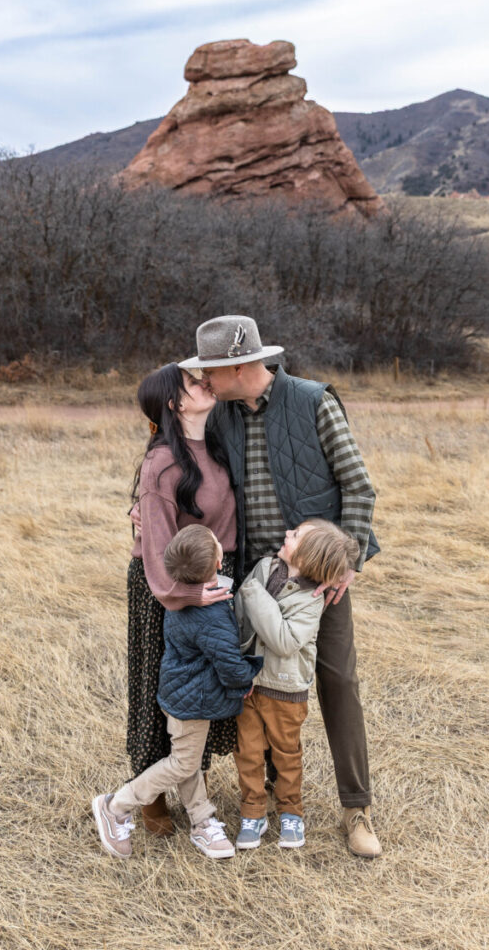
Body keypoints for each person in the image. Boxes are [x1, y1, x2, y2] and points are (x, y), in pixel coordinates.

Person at [179, 315, 383, 858]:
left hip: (320, 575)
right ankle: (270, 799)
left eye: (211, 372)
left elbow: (358, 487)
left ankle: (356, 809)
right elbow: (188, 464)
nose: (205, 383)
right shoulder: (220, 416)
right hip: (255, 578)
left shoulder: (315, 401)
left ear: (240, 366)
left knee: (338, 681)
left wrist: (348, 562)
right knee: (262, 688)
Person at [93, 525, 262, 860]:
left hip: (178, 691)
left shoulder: (180, 597)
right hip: (194, 702)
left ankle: (202, 820)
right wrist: (246, 680)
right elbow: (229, 665)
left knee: (189, 760)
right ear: (218, 563)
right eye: (218, 545)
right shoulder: (210, 614)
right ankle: (116, 805)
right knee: (183, 763)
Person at [124, 363, 239, 838]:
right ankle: (148, 797)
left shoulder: (214, 442)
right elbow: (155, 550)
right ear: (174, 403)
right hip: (166, 588)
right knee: (161, 687)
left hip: (214, 576)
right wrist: (187, 593)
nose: (204, 383)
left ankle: (194, 782)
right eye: (193, 383)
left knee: (203, 684)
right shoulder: (162, 462)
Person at [233, 519, 359, 851]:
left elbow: (284, 641)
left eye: (295, 535)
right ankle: (253, 811)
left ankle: (291, 811)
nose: (286, 534)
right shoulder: (264, 568)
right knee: (247, 752)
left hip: (285, 692)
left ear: (309, 557)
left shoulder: (311, 600)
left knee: (286, 754)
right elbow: (241, 618)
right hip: (249, 686)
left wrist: (251, 592)